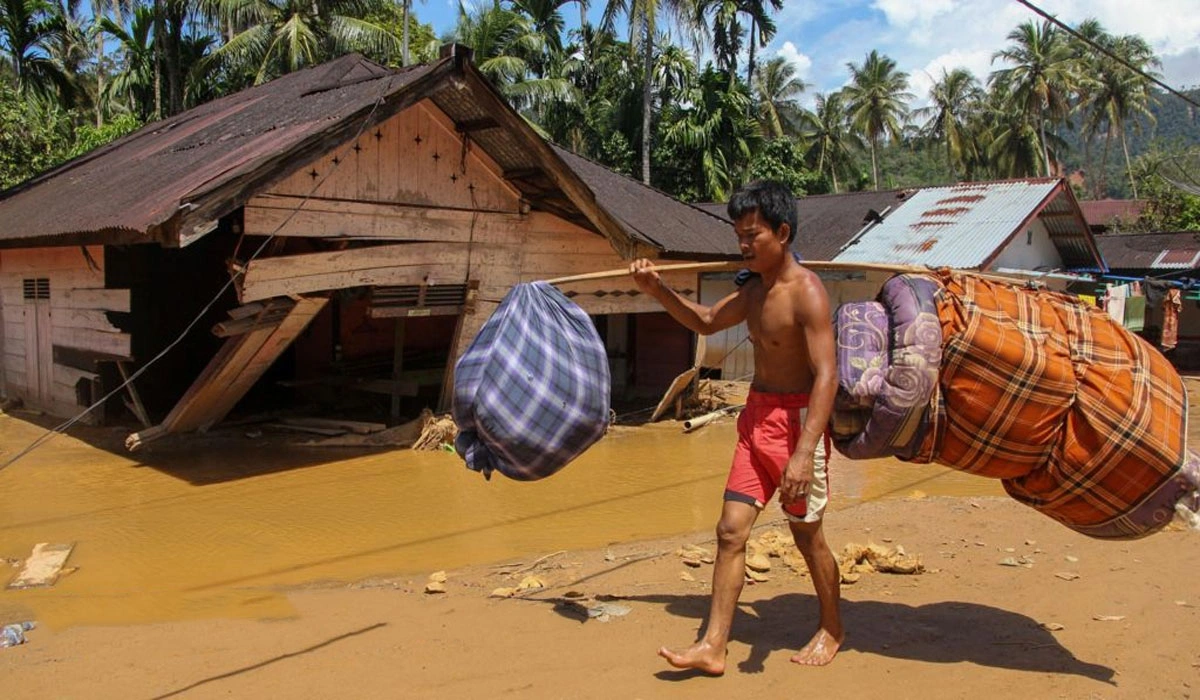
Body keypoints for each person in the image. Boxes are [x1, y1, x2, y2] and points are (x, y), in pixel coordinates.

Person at [629, 180, 842, 672]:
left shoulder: (807, 292)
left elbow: (827, 375)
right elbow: (705, 321)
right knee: (730, 531)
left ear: (783, 232)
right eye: (739, 236)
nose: (742, 246)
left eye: (753, 236)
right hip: (755, 421)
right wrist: (657, 288)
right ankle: (714, 645)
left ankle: (832, 626)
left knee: (808, 537)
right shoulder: (752, 290)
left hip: (797, 425)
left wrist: (805, 451)